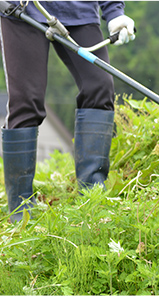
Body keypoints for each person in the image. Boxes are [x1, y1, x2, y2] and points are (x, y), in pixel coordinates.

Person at [0, 1, 135, 222]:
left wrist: (113, 11)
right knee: (26, 102)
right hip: (21, 8)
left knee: (99, 87)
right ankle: (20, 212)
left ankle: (92, 199)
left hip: (77, 9)